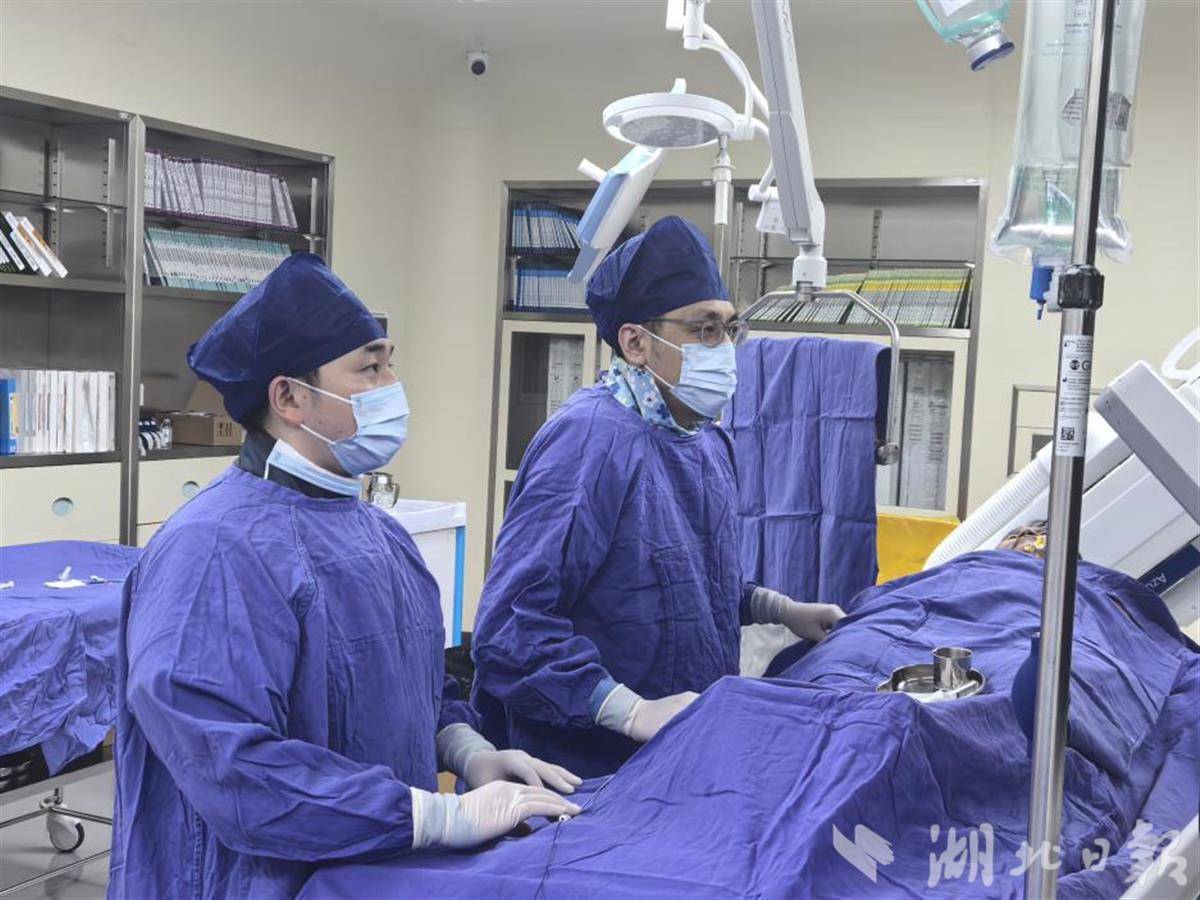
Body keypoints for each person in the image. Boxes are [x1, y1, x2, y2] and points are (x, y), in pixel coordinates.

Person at [108, 254, 580, 900]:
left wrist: (467, 749)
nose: (393, 385)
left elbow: (417, 689)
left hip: (377, 870)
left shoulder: (382, 537)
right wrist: (435, 816)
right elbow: (232, 767)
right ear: (289, 398)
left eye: (390, 363)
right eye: (370, 368)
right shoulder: (213, 549)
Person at [471, 217, 844, 777]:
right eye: (705, 330)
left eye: (729, 329)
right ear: (636, 342)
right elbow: (511, 627)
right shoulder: (589, 443)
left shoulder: (703, 439)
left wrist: (780, 611)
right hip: (587, 767)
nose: (725, 348)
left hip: (684, 749)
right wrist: (629, 711)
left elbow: (687, 582)